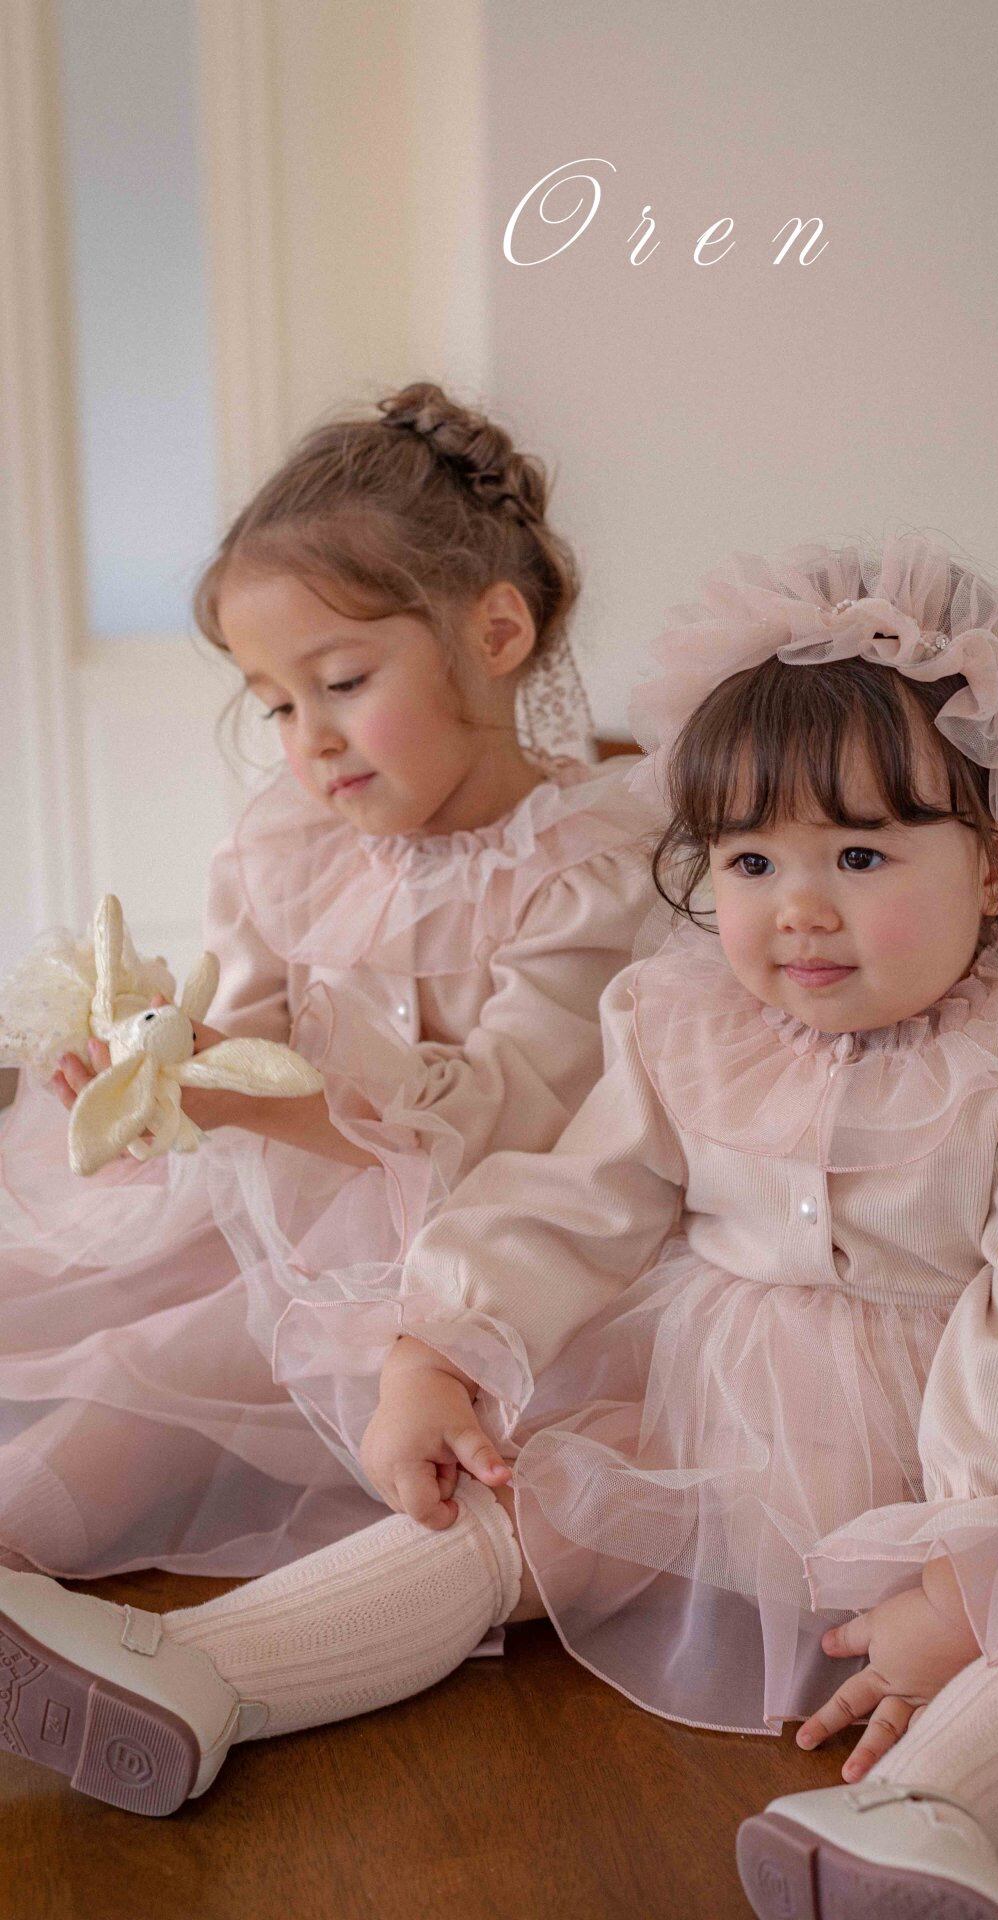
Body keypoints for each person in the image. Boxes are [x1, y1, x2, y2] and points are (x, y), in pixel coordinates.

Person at [4, 536, 998, 1920]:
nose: (797, 910)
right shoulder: (684, 1022)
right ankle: (213, 1671)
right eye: (749, 859)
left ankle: (933, 1818)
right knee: (518, 1500)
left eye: (859, 854)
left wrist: (972, 1574)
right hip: (722, 1446)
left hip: (988, 1465)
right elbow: (575, 1199)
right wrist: (441, 1347)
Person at [0, 382, 657, 1582]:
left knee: (161, 1381)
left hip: (473, 1257)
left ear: (494, 635)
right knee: (84, 1323)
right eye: (275, 705)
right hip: (276, 1221)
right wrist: (154, 1072)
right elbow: (235, 1026)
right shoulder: (292, 844)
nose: (307, 736)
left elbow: (513, 1116)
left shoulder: (588, 869)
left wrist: (242, 1092)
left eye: (343, 682)